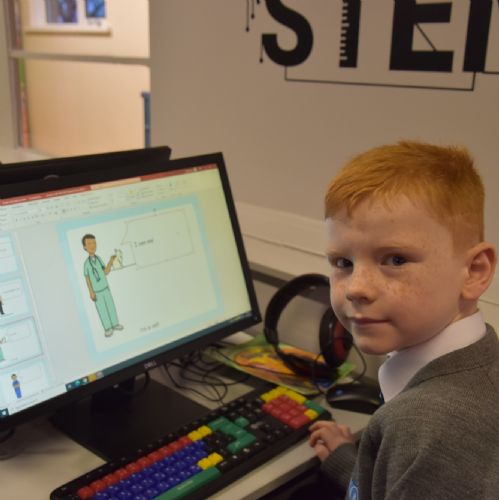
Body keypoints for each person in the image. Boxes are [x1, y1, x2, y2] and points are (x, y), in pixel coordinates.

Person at [308, 140, 499, 499]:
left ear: (474, 271)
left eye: (395, 260)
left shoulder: (430, 426)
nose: (356, 288)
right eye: (343, 263)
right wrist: (351, 464)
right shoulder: (481, 362)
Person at [82, 234, 123, 338]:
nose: (92, 245)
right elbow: (87, 280)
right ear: (85, 247)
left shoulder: (99, 259)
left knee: (110, 306)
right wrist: (91, 292)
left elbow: (105, 271)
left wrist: (111, 261)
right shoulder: (86, 264)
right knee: (102, 309)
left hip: (105, 288)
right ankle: (108, 328)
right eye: (89, 243)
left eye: (94, 243)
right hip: (97, 292)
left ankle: (115, 324)